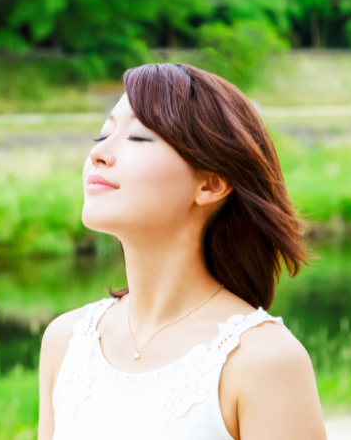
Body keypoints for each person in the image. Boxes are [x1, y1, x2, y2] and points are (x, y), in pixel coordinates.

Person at [38, 63, 327, 440]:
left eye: (138, 138)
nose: (99, 155)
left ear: (210, 185)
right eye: (102, 135)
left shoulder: (262, 361)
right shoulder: (67, 341)